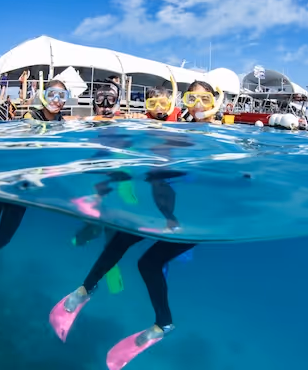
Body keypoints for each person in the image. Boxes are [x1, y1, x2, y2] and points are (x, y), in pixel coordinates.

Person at [49, 79, 224, 370]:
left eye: (205, 100)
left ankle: (162, 324)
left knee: (148, 264)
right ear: (182, 102)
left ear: (216, 101)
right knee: (120, 239)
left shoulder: (221, 132)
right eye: (192, 99)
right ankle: (84, 291)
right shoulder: (173, 126)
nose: (199, 107)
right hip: (165, 213)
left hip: (196, 220)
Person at [0, 79, 75, 313]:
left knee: (4, 238)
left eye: (62, 96)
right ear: (44, 96)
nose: (56, 100)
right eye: (52, 94)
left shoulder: (64, 124)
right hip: (4, 181)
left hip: (25, 188)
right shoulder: (30, 118)